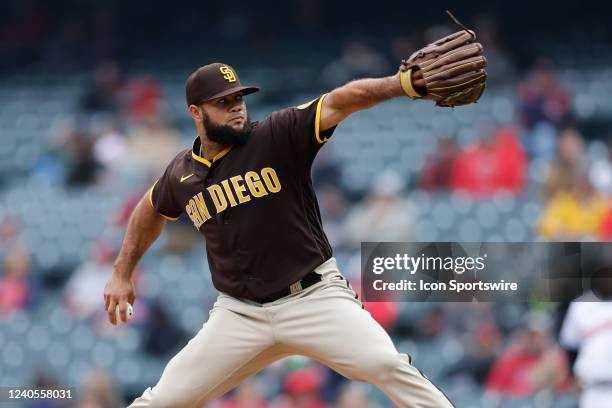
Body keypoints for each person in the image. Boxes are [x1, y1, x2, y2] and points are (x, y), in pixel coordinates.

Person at [104, 58, 462, 408]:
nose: (236, 109)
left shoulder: (276, 135)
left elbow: (340, 100)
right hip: (240, 314)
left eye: (238, 99)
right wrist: (122, 272)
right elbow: (149, 209)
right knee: (164, 400)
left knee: (386, 365)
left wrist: (399, 85)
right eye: (223, 102)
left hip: (314, 298)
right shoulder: (181, 173)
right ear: (196, 113)